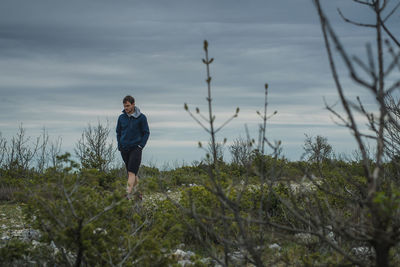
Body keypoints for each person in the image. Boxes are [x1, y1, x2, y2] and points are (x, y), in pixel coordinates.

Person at [116, 95, 150, 200]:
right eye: (124, 106)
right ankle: (138, 194)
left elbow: (146, 133)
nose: (126, 108)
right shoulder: (121, 117)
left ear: (133, 104)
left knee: (131, 172)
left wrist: (141, 146)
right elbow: (118, 132)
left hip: (136, 148)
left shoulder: (141, 117)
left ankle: (127, 194)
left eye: (128, 106)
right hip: (124, 148)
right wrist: (119, 145)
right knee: (132, 173)